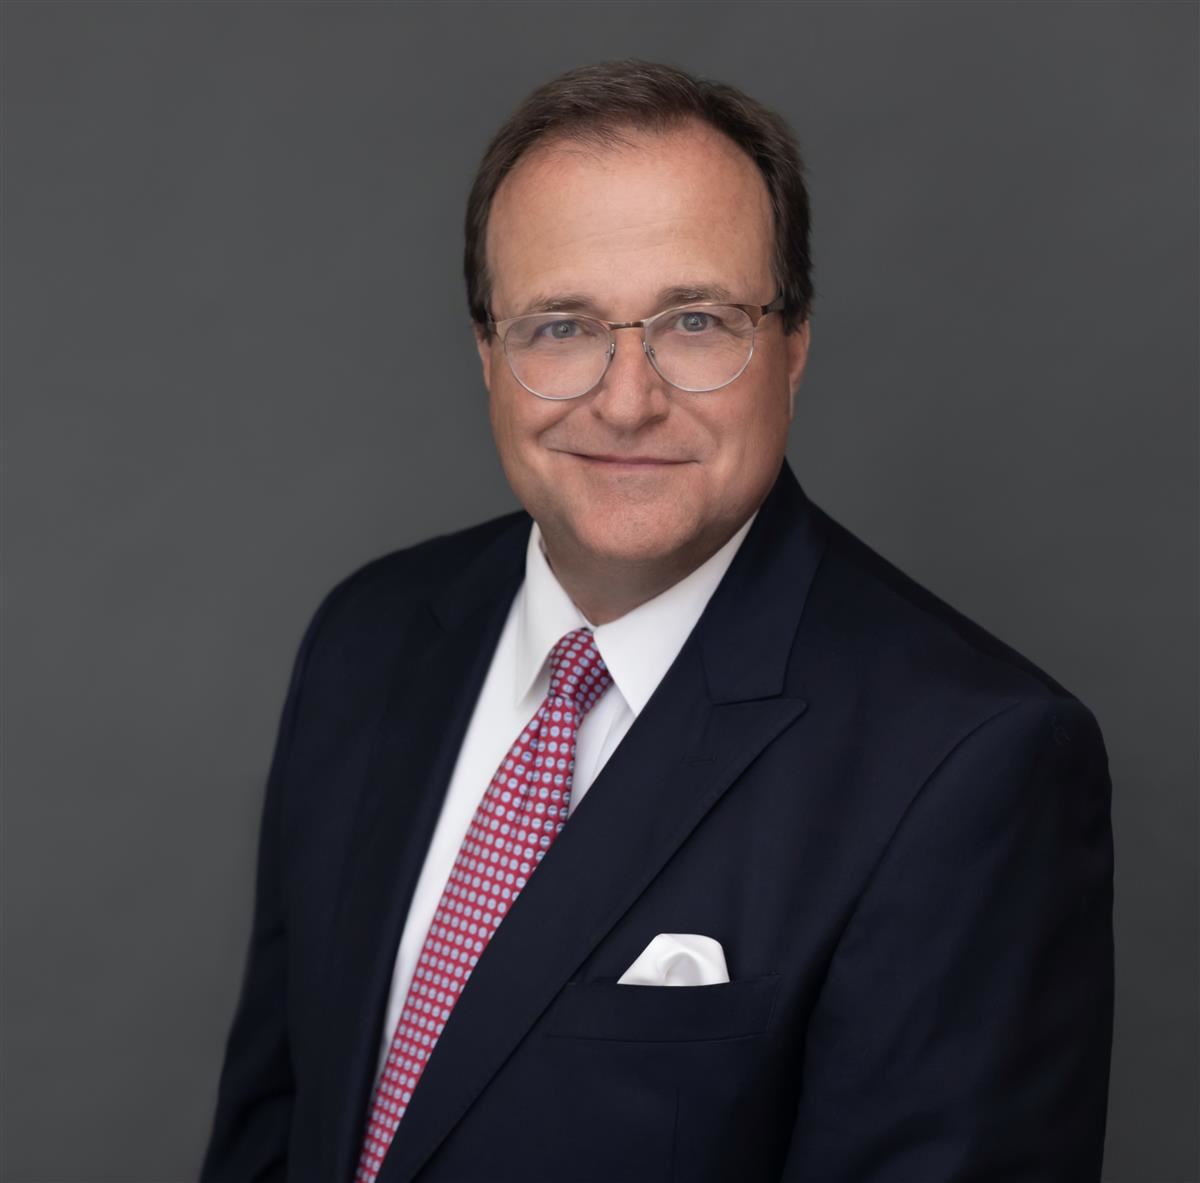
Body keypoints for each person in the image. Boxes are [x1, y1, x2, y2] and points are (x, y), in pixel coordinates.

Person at [200, 59, 1115, 1183]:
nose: (627, 400)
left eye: (695, 321)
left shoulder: (972, 762)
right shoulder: (368, 639)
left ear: (794, 344)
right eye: (561, 326)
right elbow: (273, 1132)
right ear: (488, 352)